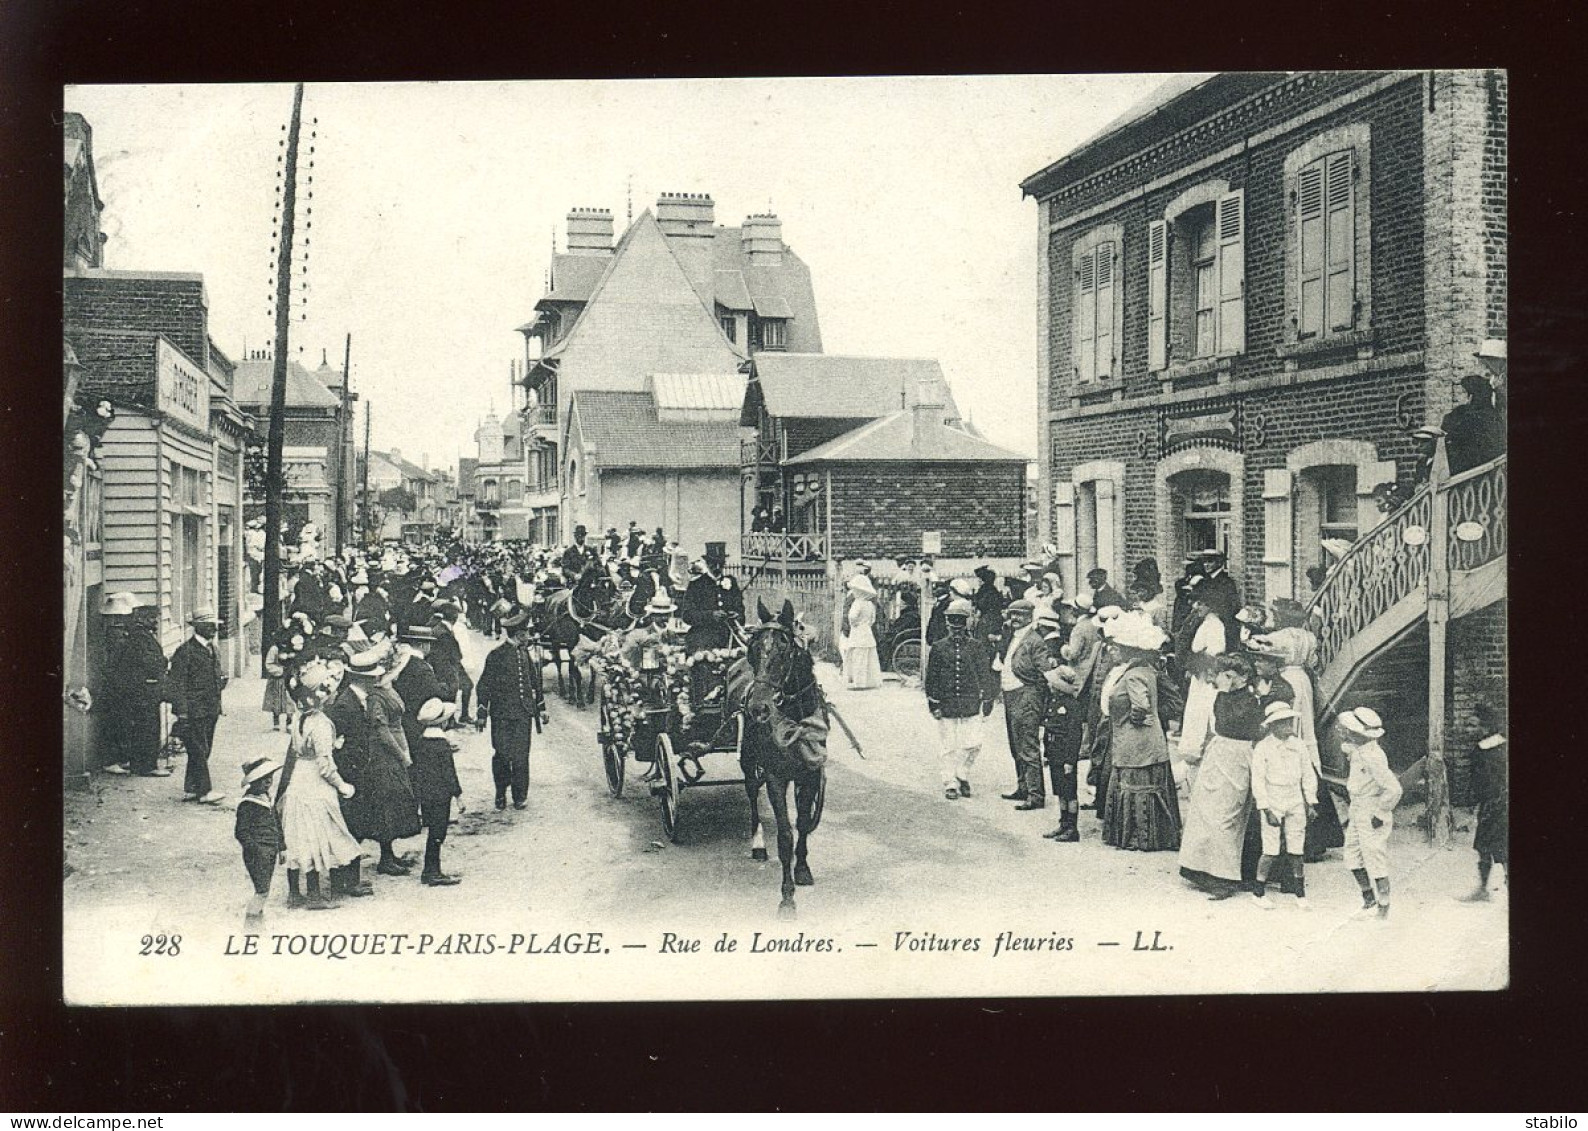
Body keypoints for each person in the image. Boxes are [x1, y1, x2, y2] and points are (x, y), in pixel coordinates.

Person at [275, 661, 363, 911]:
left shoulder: (298, 717)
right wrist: (343, 785)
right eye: (330, 689)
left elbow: (297, 749)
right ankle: (313, 895)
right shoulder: (321, 723)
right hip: (315, 781)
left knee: (297, 834)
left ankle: (295, 893)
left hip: (298, 778)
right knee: (316, 834)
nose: (334, 692)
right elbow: (325, 765)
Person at [1178, 652, 1263, 898]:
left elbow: (1232, 723)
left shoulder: (1249, 701)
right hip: (1218, 753)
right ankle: (1199, 868)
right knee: (1204, 811)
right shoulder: (1222, 697)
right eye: (1223, 675)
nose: (1223, 680)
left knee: (1226, 816)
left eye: (1230, 675)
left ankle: (1224, 877)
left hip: (1237, 756)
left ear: (1243, 677)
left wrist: (1225, 693)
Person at [1099, 612, 1181, 851]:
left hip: (1136, 741)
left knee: (1136, 787)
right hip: (1144, 740)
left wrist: (1134, 720)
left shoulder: (1134, 675)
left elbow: (1141, 706)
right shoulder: (1145, 670)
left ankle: (1136, 836)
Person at [476, 605, 547, 811]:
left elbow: (535, 682)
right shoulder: (495, 655)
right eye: (526, 633)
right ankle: (500, 792)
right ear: (519, 634)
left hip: (524, 714)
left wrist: (541, 708)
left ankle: (520, 796)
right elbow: (484, 685)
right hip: (501, 715)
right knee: (501, 755)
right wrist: (482, 712)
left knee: (521, 756)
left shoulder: (526, 654)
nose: (528, 637)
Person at [923, 598, 995, 800]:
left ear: (967, 623)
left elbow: (985, 674)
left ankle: (962, 773)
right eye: (952, 622)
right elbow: (932, 678)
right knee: (948, 746)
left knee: (974, 743)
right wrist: (933, 703)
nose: (956, 627)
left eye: (960, 622)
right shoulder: (938, 648)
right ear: (946, 623)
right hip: (946, 704)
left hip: (970, 703)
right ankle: (950, 783)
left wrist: (988, 698)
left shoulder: (977, 647)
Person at [1249, 702, 1319, 909]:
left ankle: (1300, 893)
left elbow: (1308, 774)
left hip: (1295, 799)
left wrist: (1311, 801)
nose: (1289, 726)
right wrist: (1265, 808)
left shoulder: (1298, 746)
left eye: (1290, 721)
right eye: (1283, 723)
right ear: (1272, 726)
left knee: (1297, 848)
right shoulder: (1263, 748)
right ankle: (1258, 892)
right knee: (1270, 848)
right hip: (1273, 799)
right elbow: (1258, 780)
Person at [1338, 707, 1401, 919]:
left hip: (1372, 810)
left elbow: (1394, 789)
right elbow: (1348, 748)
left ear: (1360, 733)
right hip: (1357, 809)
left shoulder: (1374, 756)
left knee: (1375, 858)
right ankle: (1369, 899)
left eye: (1349, 730)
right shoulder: (1360, 749)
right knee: (1352, 856)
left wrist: (1380, 813)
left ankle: (1384, 907)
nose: (1346, 732)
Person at [995, 599, 1056, 810]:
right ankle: (1023, 787)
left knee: (1028, 745)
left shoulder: (1035, 640)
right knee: (1015, 744)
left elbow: (1045, 671)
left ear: (1030, 616)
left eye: (1019, 615)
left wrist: (1035, 694)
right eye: (1012, 614)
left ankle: (1035, 794)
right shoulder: (1014, 636)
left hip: (1026, 695)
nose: (1014, 619)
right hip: (1011, 695)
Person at [165, 610, 228, 804]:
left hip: (211, 708)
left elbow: (216, 675)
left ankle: (192, 787)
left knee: (204, 749)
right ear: (197, 627)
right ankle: (204, 791)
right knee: (198, 749)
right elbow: (176, 684)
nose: (214, 629)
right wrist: (182, 712)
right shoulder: (185, 652)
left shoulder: (213, 649)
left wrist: (221, 683)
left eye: (215, 625)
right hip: (193, 710)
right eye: (209, 625)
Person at [1036, 602, 1085, 841]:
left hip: (1065, 755)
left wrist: (1069, 760)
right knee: (1059, 790)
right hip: (1055, 752)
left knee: (1070, 791)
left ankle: (1072, 828)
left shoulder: (1071, 707)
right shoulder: (1054, 703)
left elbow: (1074, 735)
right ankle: (1062, 822)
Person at [103, 602, 170, 776]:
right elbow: (148, 661)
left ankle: (141, 763)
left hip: (143, 688)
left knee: (143, 726)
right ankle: (145, 766)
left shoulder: (140, 635)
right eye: (152, 618)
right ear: (143, 619)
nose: (155, 622)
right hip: (143, 689)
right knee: (146, 727)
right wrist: (163, 661)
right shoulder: (139, 637)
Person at [411, 697, 464, 886]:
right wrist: (458, 795)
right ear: (442, 722)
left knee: (432, 830)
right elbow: (450, 773)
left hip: (426, 795)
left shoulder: (421, 743)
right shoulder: (442, 746)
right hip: (441, 796)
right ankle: (432, 870)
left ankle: (431, 869)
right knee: (438, 832)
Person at [1459, 700, 1508, 902]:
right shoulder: (1503, 745)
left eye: (1472, 725)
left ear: (1485, 727)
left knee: (1487, 846)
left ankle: (1483, 889)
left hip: (1494, 804)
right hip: (1500, 802)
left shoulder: (1483, 751)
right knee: (1499, 847)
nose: (1468, 729)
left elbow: (1482, 781)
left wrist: (1474, 801)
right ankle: (1485, 888)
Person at [1176, 577, 1227, 763]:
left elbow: (1214, 653)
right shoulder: (1205, 622)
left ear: (1210, 606)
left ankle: (1205, 747)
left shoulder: (1215, 625)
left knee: (1205, 709)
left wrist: (1199, 665)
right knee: (1197, 709)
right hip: (1199, 674)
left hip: (1207, 676)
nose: (1196, 606)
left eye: (1201, 604)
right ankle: (1195, 748)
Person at [235, 757, 283, 926]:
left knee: (264, 889)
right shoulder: (248, 804)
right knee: (261, 891)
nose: (268, 781)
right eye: (263, 778)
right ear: (253, 781)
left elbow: (276, 824)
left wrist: (281, 847)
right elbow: (241, 832)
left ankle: (256, 919)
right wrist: (255, 849)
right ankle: (251, 924)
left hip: (270, 851)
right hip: (257, 853)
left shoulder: (265, 798)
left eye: (270, 776)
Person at [1440, 372, 1506, 475]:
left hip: (1470, 469)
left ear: (1471, 395)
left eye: (1463, 392)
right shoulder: (1491, 414)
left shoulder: (1471, 416)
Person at [842, 573, 882, 690]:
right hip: (867, 631)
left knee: (858, 658)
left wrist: (855, 624)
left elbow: (852, 617)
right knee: (868, 658)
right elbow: (872, 620)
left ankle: (859, 683)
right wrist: (865, 624)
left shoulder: (858, 603)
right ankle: (870, 681)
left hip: (858, 632)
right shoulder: (870, 604)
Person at [261, 627, 302, 731]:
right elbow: (269, 664)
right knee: (276, 700)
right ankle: (276, 722)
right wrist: (280, 670)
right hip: (277, 679)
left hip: (289, 678)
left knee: (289, 701)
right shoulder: (274, 649)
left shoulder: (292, 649)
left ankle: (289, 722)